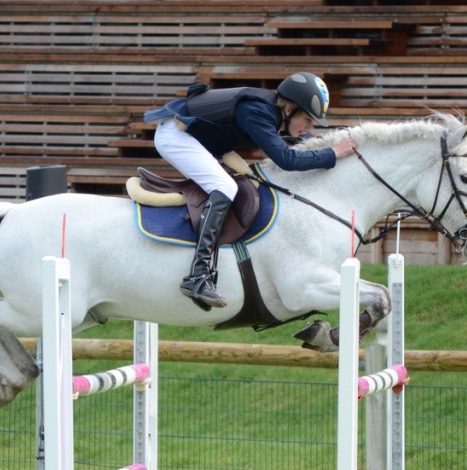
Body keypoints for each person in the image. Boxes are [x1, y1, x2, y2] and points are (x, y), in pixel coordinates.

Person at [143, 72, 358, 310]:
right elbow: (286, 159)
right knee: (225, 187)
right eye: (307, 120)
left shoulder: (269, 112)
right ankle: (198, 276)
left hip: (194, 136)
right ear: (289, 111)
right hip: (176, 135)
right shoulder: (256, 112)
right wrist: (333, 153)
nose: (309, 127)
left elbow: (289, 146)